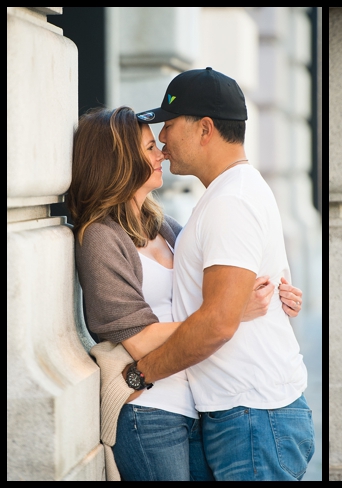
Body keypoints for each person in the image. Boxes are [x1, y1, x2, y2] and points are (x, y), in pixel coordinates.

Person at [67, 106, 305, 481]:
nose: (161, 151)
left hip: (198, 404)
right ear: (117, 162)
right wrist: (230, 313)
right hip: (150, 411)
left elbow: (215, 283)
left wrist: (276, 294)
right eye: (148, 148)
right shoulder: (100, 237)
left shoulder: (163, 224)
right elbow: (139, 338)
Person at [123, 67, 315, 481]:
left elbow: (218, 323)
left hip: (253, 420)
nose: (162, 140)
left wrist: (141, 374)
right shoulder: (233, 192)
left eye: (169, 126)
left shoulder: (233, 201)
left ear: (205, 128)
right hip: (248, 416)